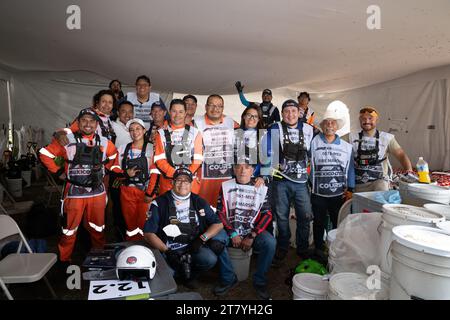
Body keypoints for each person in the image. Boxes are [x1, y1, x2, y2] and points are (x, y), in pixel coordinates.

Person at [39, 108, 121, 262]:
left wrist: (106, 170)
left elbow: (114, 157)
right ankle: (65, 258)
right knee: (69, 230)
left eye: (91, 121)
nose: (88, 124)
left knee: (98, 228)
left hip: (97, 194)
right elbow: (44, 154)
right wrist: (57, 172)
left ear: (97, 124)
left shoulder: (105, 142)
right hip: (74, 193)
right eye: (84, 120)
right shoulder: (67, 140)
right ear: (78, 122)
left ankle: (99, 255)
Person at [143, 168, 238, 295]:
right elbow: (149, 233)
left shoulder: (198, 201)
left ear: (191, 184)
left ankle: (190, 275)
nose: (182, 184)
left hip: (192, 247)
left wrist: (201, 239)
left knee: (209, 259)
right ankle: (178, 272)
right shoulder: (159, 203)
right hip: (169, 249)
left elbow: (218, 223)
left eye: (186, 181)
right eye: (178, 180)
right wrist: (167, 251)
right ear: (172, 182)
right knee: (168, 274)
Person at [217, 162, 276, 300]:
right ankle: (228, 278)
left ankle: (260, 281)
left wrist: (252, 235)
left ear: (253, 170)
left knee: (270, 243)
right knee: (216, 240)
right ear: (234, 169)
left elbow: (267, 214)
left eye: (247, 167)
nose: (243, 170)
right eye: (239, 166)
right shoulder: (226, 186)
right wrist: (232, 232)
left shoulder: (260, 187)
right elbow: (220, 212)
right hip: (230, 231)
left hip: (251, 231)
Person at [266, 99, 315, 264]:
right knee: (281, 216)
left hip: (301, 181)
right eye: (286, 111)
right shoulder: (275, 128)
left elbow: (316, 152)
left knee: (305, 215)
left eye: (293, 111)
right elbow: (267, 152)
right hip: (281, 180)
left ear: (299, 113)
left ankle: (302, 247)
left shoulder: (309, 129)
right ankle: (283, 246)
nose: (290, 114)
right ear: (282, 114)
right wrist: (270, 172)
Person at [310, 108, 355, 259]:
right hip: (318, 193)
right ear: (322, 126)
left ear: (337, 127)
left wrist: (351, 188)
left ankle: (336, 249)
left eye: (333, 123)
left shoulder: (347, 147)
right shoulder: (313, 143)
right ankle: (318, 248)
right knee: (318, 222)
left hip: (338, 194)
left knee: (337, 222)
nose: (329, 125)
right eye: (326, 123)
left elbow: (350, 170)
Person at [349, 106, 413, 192]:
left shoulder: (386, 138)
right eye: (363, 119)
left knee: (381, 190)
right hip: (357, 183)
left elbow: (401, 155)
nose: (367, 121)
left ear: (376, 120)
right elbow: (334, 142)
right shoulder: (351, 137)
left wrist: (409, 171)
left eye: (370, 118)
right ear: (360, 120)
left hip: (379, 181)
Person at [194, 94, 240, 207]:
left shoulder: (231, 123)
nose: (215, 109)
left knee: (223, 215)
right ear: (205, 107)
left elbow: (241, 146)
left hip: (225, 180)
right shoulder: (195, 123)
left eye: (219, 106)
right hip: (202, 182)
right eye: (212, 105)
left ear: (223, 108)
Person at [118, 118, 159, 241]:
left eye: (137, 129)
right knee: (130, 224)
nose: (134, 132)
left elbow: (156, 173)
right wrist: (126, 173)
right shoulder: (122, 148)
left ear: (144, 130)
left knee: (145, 222)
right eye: (131, 130)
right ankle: (132, 246)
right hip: (127, 191)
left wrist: (150, 193)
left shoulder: (152, 149)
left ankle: (146, 247)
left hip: (145, 191)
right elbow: (114, 169)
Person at [154, 99, 203, 195]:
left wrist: (184, 176)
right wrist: (176, 175)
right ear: (169, 112)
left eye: (180, 112)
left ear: (185, 113)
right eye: (174, 111)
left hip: (189, 182)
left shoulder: (195, 133)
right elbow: (159, 160)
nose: (177, 115)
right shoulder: (161, 133)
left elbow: (198, 159)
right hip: (168, 183)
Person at [109, 100, 134, 239]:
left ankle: (130, 233)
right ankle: (119, 234)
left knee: (130, 204)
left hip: (133, 173)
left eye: (130, 111)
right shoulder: (112, 126)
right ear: (118, 112)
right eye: (124, 111)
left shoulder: (135, 126)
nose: (127, 114)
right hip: (117, 174)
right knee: (118, 203)